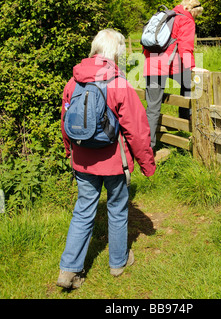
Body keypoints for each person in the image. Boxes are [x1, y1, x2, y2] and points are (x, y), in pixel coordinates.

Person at [57, 29, 156, 289]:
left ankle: (68, 270)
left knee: (83, 211)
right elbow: (138, 129)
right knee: (117, 209)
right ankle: (118, 262)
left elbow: (64, 121)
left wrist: (69, 151)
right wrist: (147, 164)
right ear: (117, 52)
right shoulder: (120, 83)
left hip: (83, 162)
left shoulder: (73, 81)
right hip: (115, 162)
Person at [143, 0, 203, 151]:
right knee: (191, 87)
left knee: (152, 108)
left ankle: (147, 150)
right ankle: (186, 124)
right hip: (170, 66)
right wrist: (193, 69)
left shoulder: (166, 16)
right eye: (197, 14)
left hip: (151, 64)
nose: (196, 17)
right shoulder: (186, 20)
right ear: (192, 10)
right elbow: (185, 48)